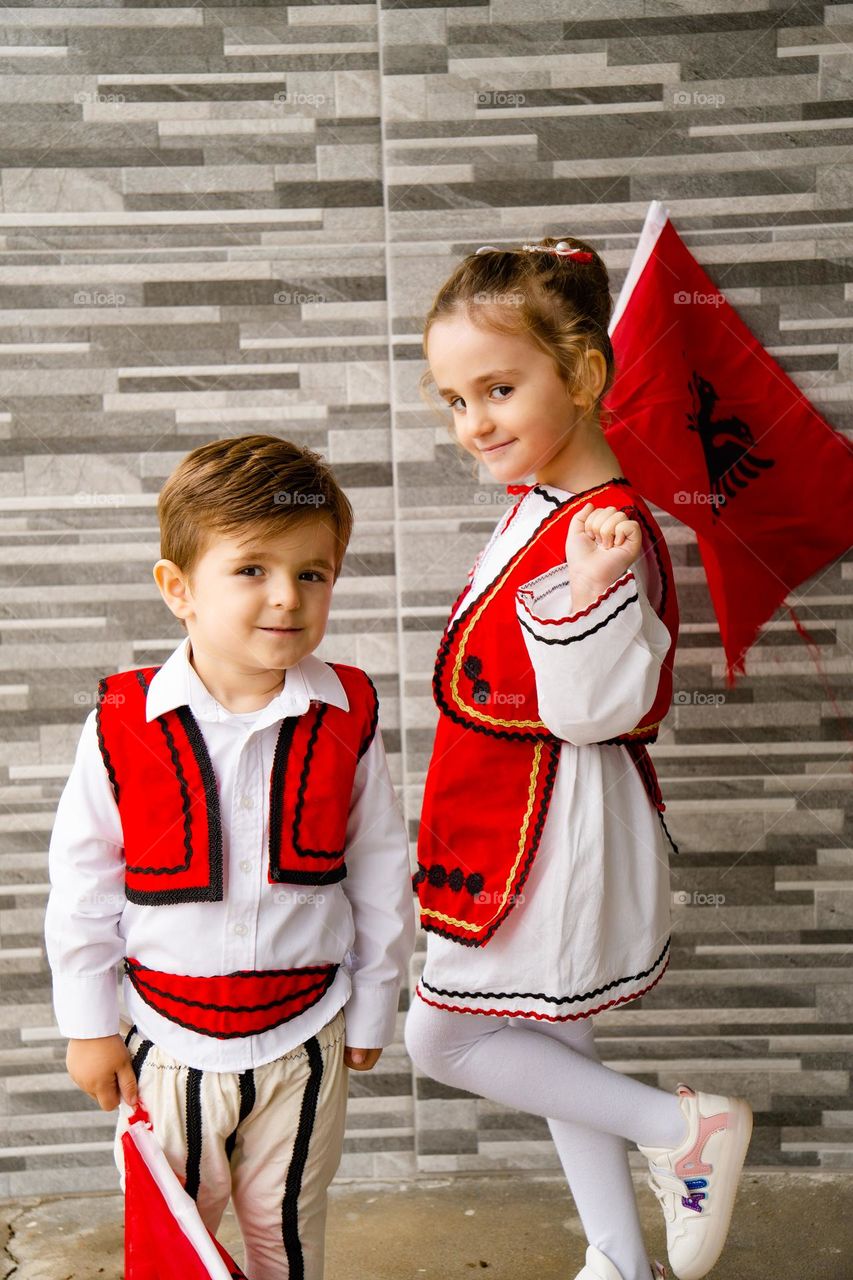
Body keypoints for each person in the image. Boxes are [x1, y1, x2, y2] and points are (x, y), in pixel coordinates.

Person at [404, 239, 753, 1280]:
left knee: (446, 1038)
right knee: (551, 1044)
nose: (474, 422)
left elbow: (595, 709)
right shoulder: (547, 505)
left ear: (583, 373)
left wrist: (588, 592)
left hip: (551, 828)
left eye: (499, 387)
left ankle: (678, 1126)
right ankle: (617, 1255)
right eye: (455, 399)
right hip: (517, 816)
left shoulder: (599, 526)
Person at [45, 434, 416, 1280]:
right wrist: (88, 1022)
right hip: (166, 1041)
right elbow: (83, 884)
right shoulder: (119, 719)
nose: (286, 597)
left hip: (305, 1035)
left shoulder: (348, 712)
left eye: (311, 572)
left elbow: (381, 867)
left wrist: (372, 1005)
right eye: (251, 570)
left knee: (287, 1232)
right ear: (178, 589)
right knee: (174, 1239)